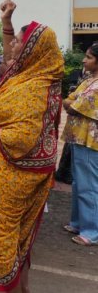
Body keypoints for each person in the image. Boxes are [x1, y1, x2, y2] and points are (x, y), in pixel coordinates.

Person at [0, 15, 64, 292]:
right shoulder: (26, 76)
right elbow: (9, 56)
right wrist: (7, 22)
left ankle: (2, 287)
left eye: (19, 42)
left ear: (31, 49)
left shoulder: (34, 87)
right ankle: (18, 288)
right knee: (11, 239)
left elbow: (21, 138)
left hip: (13, 173)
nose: (12, 46)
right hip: (9, 170)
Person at [63, 42, 98, 246]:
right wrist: (70, 102)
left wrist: (70, 103)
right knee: (78, 182)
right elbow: (69, 99)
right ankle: (78, 222)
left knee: (89, 185)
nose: (84, 60)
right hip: (78, 137)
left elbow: (73, 105)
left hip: (90, 139)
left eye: (89, 57)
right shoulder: (89, 80)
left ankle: (92, 230)